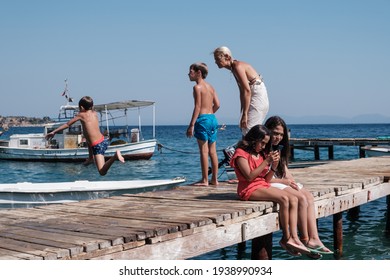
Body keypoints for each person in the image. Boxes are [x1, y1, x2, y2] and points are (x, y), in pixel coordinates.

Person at [230, 124, 311, 256]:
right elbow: (249, 177)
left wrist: (273, 166)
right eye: (261, 143)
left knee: (294, 198)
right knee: (284, 199)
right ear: (253, 139)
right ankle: (286, 237)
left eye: (265, 144)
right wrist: (267, 161)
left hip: (262, 185)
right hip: (248, 188)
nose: (263, 146)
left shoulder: (259, 154)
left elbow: (266, 179)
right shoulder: (241, 153)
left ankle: (294, 237)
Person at [264, 116, 333, 256]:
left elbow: (285, 170)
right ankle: (304, 239)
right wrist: (286, 183)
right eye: (275, 133)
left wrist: (294, 183)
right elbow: (263, 178)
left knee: (308, 196)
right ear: (268, 130)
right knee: (300, 198)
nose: (278, 137)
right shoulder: (263, 147)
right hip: (270, 182)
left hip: (279, 180)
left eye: (281, 134)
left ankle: (314, 238)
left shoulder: (278, 148)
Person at [45, 96, 125, 176]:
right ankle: (90, 158)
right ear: (92, 107)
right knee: (87, 138)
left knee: (102, 172)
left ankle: (115, 156)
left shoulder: (81, 115)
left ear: (82, 107)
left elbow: (67, 124)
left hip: (98, 145)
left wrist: (54, 132)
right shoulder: (94, 113)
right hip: (103, 140)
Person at [213, 46, 269, 136]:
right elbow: (242, 92)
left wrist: (245, 114)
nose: (215, 62)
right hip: (255, 93)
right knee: (245, 128)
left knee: (248, 130)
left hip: (257, 94)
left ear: (227, 56)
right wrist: (242, 112)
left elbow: (247, 91)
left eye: (217, 59)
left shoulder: (237, 66)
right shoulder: (234, 68)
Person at [186, 62, 220, 186]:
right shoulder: (211, 87)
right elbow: (217, 104)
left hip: (203, 119)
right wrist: (209, 114)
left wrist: (192, 125)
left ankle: (205, 180)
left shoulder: (197, 87)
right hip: (212, 118)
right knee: (213, 152)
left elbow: (198, 106)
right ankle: (214, 179)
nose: (188, 74)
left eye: (191, 71)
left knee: (204, 151)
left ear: (198, 73)